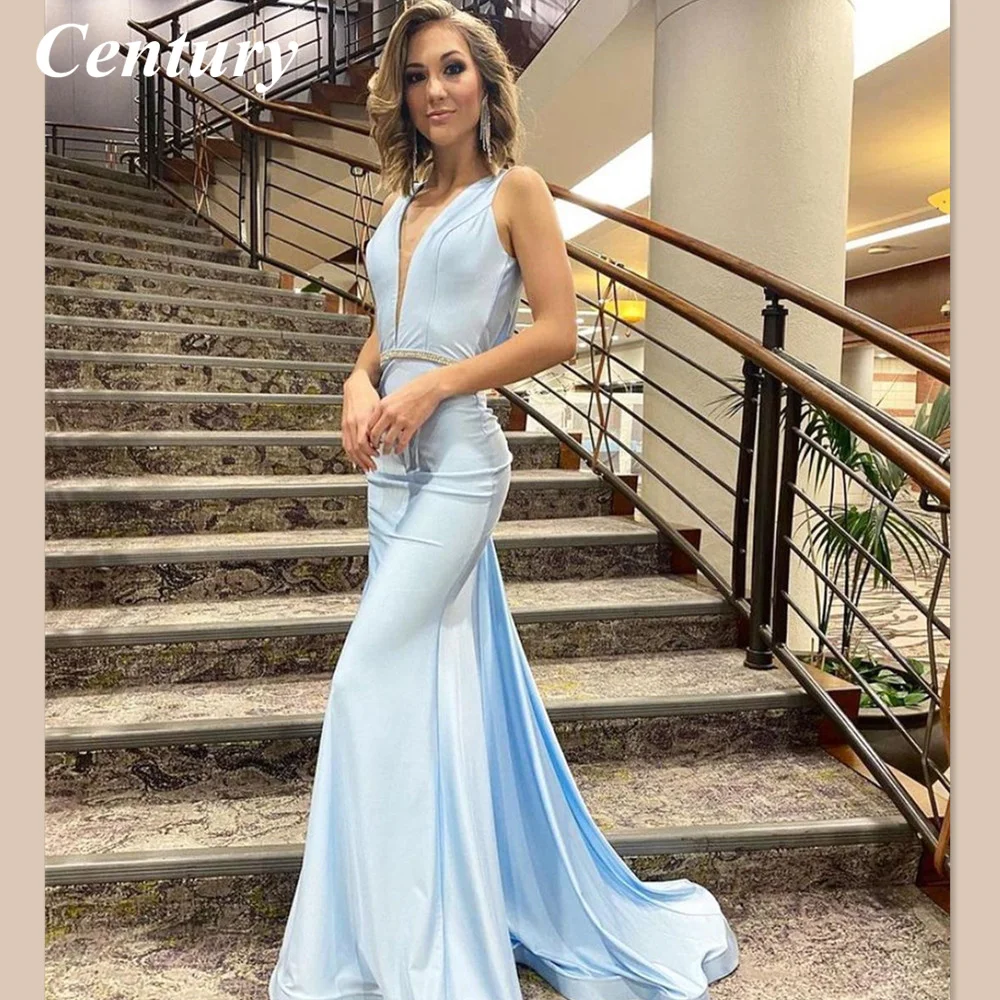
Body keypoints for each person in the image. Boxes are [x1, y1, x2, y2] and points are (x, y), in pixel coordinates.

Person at [268, 3, 740, 998]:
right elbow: (385, 332)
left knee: (363, 682)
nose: (432, 90)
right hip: (389, 473)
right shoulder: (399, 206)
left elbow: (558, 330)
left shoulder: (515, 190)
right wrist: (357, 384)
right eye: (415, 76)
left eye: (451, 69)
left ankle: (414, 948)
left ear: (484, 81)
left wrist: (438, 385)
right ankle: (405, 924)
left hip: (459, 466)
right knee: (427, 691)